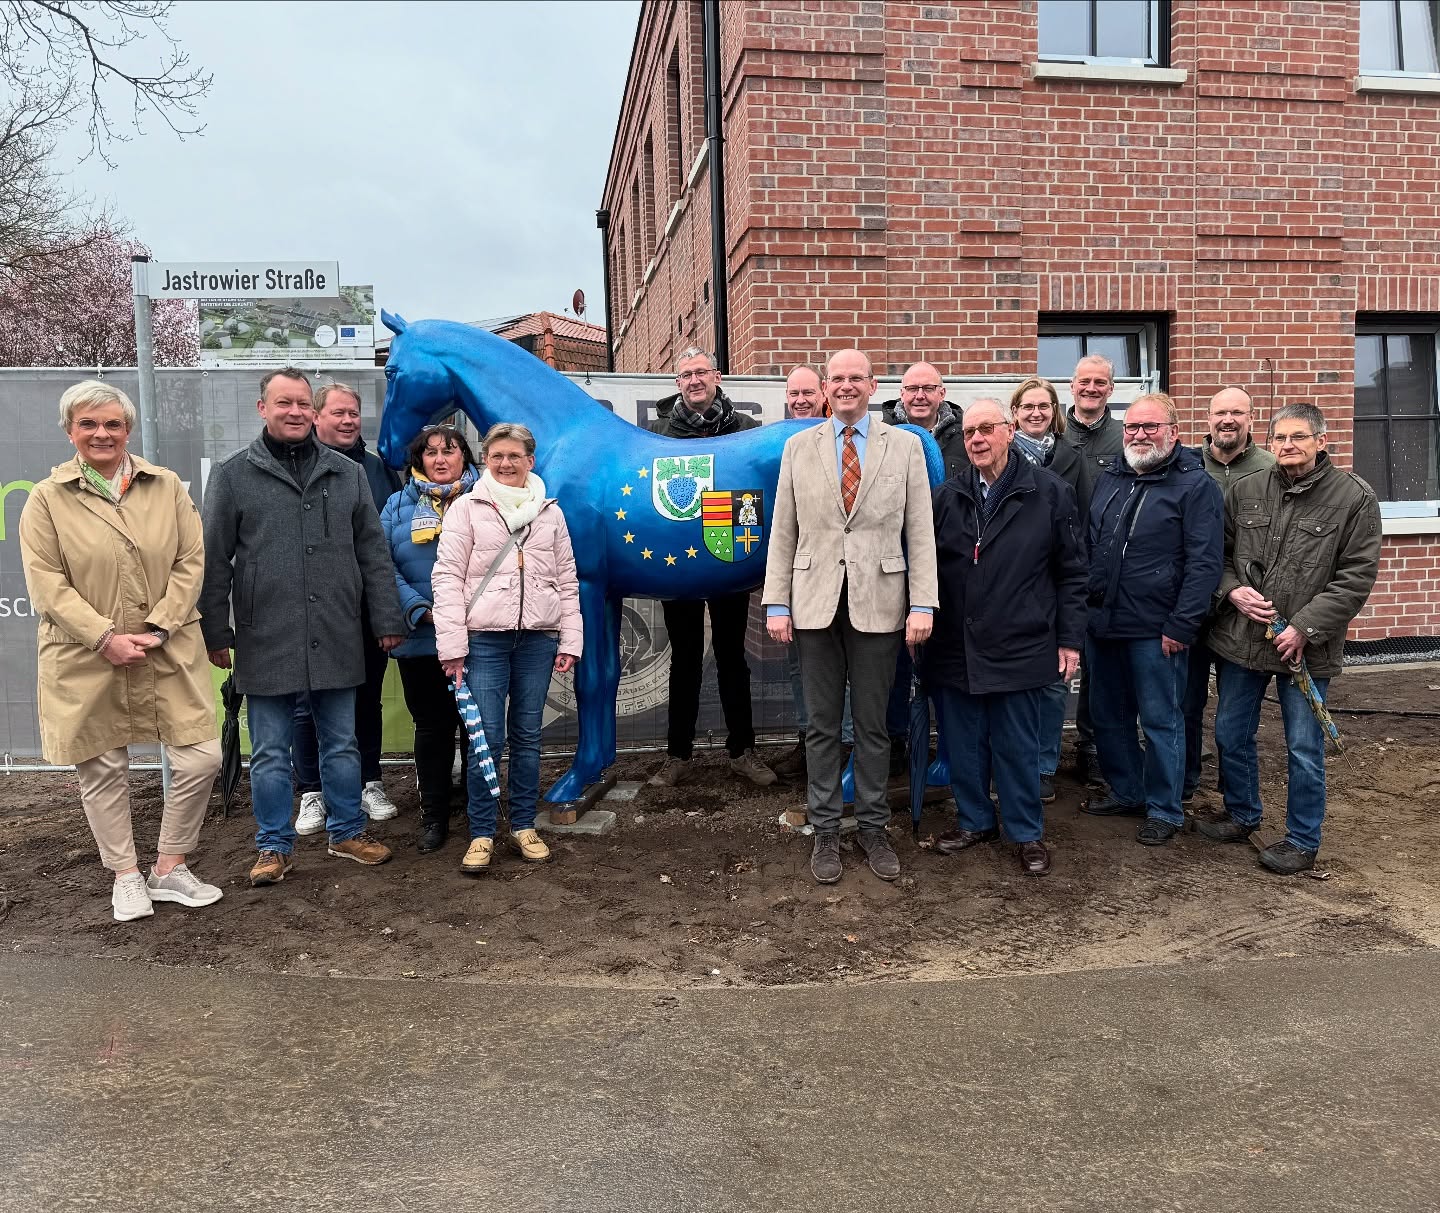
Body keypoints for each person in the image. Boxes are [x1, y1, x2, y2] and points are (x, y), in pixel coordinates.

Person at [19, 381, 223, 921]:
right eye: (88, 424)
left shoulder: (166, 486)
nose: (101, 433)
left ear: (128, 429)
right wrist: (103, 637)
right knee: (103, 766)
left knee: (202, 756)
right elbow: (46, 582)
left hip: (167, 646)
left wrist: (160, 627)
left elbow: (190, 561)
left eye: (112, 423)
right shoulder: (46, 498)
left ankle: (169, 866)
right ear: (70, 431)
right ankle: (126, 875)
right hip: (85, 652)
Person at [200, 367, 405, 886]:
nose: (294, 412)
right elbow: (214, 559)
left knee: (342, 744)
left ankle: (346, 832)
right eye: (283, 402)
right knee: (270, 752)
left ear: (313, 412)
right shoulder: (232, 475)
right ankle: (273, 846)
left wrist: (385, 616)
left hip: (337, 629)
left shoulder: (347, 473)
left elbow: (373, 552)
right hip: (264, 634)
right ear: (262, 408)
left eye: (302, 404)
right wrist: (215, 630)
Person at [764, 348, 938, 885]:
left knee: (872, 726)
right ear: (825, 389)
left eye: (855, 378)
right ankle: (825, 830)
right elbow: (784, 528)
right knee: (820, 727)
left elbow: (920, 530)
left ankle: (873, 827)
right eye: (835, 379)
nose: (845, 386)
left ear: (872, 385)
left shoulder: (905, 446)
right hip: (813, 603)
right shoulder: (798, 447)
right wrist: (777, 601)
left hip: (880, 603)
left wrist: (922, 602)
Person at [1200, 403, 1381, 874]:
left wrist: (1305, 627)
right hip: (1242, 639)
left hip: (1306, 649)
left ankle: (1302, 839)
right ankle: (1241, 813)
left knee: (1303, 747)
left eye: (1299, 437)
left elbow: (1356, 577)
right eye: (1280, 438)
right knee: (1230, 732)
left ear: (1321, 441)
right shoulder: (1246, 490)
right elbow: (1217, 556)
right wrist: (1231, 591)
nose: (1288, 446)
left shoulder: (1353, 498)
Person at [927, 398, 1087, 876]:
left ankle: (1025, 832)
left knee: (1017, 747)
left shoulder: (1049, 493)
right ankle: (974, 820)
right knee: (964, 742)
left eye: (986, 429)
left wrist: (1069, 639)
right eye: (969, 432)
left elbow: (1073, 573)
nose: (976, 439)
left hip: (1021, 642)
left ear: (1010, 431)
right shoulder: (947, 496)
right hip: (956, 643)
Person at [431, 422, 583, 873]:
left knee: (528, 736)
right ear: (485, 460)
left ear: (530, 460)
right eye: (497, 455)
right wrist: (452, 646)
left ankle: (523, 825)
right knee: (487, 738)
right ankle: (481, 833)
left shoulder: (550, 512)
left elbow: (568, 580)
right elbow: (447, 577)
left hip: (538, 639)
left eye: (515, 455)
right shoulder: (467, 508)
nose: (505, 463)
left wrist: (569, 638)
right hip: (484, 641)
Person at [1082, 391, 1224, 846]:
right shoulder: (1112, 477)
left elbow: (1205, 563)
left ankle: (1165, 808)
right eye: (1132, 427)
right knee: (1109, 715)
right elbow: (1091, 543)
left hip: (1157, 630)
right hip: (1104, 623)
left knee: (1162, 721)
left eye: (1150, 426)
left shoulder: (1195, 486)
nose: (1139, 435)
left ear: (1174, 433)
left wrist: (1182, 624)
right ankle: (1127, 791)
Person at [646, 346, 775, 789]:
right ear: (677, 383)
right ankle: (678, 756)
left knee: (731, 657)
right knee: (683, 660)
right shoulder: (657, 433)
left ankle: (743, 751)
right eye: (686, 375)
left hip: (727, 556)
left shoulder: (746, 429)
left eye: (701, 372)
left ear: (717, 377)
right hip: (678, 563)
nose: (694, 380)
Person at [292, 381, 404, 833]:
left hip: (365, 609)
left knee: (366, 699)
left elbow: (388, 546)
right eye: (337, 413)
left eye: (353, 413)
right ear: (316, 418)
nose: (347, 421)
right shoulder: (296, 465)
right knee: (307, 703)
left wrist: (386, 610)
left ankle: (368, 782)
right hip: (312, 610)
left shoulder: (378, 470)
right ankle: (312, 792)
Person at [380, 423, 481, 854]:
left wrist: (467, 612)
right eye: (431, 452)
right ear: (419, 459)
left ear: (464, 457)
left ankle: (479, 813)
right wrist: (420, 609)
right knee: (432, 728)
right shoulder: (396, 506)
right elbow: (381, 565)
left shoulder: (487, 500)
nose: (440, 459)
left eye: (450, 450)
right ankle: (434, 816)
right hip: (422, 637)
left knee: (477, 728)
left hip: (478, 637)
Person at [1182, 387, 1275, 801]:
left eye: (1237, 412)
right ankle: (1184, 783)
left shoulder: (1271, 469)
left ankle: (1233, 793)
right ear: (1208, 418)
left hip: (1243, 613)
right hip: (1190, 608)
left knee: (1233, 717)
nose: (1228, 420)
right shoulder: (1186, 464)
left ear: (1251, 418)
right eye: (1220, 412)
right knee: (1184, 704)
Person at [1008, 375, 1084, 803]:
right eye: (1027, 406)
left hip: (1054, 588)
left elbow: (1083, 523)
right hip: (1009, 591)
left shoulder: (1073, 457)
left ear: (1055, 412)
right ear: (1014, 414)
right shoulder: (998, 457)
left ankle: (1042, 767)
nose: (1035, 413)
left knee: (1054, 686)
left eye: (1043, 406)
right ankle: (1009, 763)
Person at [1059, 354, 1126, 787]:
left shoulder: (1124, 438)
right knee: (1057, 659)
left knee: (1099, 666)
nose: (1091, 388)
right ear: (1072, 385)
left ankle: (1092, 747)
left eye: (1100, 382)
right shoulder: (1053, 434)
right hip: (1057, 564)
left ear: (1111, 389)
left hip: (1104, 566)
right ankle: (1047, 754)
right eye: (1085, 381)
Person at [771, 365, 829, 784]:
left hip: (845, 580)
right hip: (800, 580)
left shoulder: (846, 442)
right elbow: (781, 524)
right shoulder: (785, 445)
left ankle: (842, 753)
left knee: (844, 676)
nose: (801, 400)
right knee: (800, 668)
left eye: (808, 392)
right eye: (794, 393)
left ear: (823, 393)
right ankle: (810, 744)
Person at [880, 362, 967, 480]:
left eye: (928, 388)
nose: (920, 396)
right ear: (902, 394)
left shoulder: (966, 436)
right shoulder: (882, 436)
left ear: (942, 394)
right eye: (912, 389)